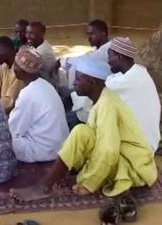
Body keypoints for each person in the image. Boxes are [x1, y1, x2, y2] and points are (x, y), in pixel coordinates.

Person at [11, 56, 157, 202]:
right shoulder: (101, 99)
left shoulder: (107, 105)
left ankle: (44, 187)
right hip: (119, 155)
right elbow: (92, 139)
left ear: (92, 82)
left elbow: (108, 150)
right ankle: (58, 176)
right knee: (81, 131)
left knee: (82, 133)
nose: (74, 83)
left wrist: (89, 183)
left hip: (133, 166)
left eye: (78, 79)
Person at [9, 46, 69, 163]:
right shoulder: (45, 85)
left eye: (15, 65)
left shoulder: (28, 93)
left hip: (45, 152)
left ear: (20, 71)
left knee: (2, 139)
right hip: (60, 148)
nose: (13, 68)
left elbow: (14, 129)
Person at [107, 37, 161, 153]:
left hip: (140, 146)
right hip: (147, 141)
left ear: (119, 57)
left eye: (110, 56)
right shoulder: (139, 71)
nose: (108, 61)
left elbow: (107, 85)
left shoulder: (129, 80)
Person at [59, 20, 111, 128]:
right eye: (88, 34)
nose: (89, 38)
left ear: (103, 33)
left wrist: (61, 61)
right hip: (81, 95)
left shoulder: (105, 51)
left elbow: (82, 60)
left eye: (92, 34)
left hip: (87, 105)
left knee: (62, 120)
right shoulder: (99, 50)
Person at [0, 36, 25, 113]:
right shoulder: (3, 66)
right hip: (1, 108)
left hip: (16, 113)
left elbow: (9, 102)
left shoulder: (19, 69)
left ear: (8, 50)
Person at [25, 21, 57, 87]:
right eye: (27, 32)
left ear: (41, 34)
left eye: (31, 33)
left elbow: (24, 68)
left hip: (46, 86)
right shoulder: (37, 44)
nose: (28, 36)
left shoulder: (42, 52)